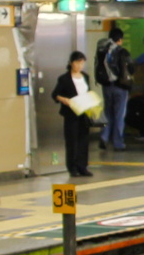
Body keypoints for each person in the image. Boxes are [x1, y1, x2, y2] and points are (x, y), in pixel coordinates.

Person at [52, 49, 96, 178]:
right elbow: (55, 94)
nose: (80, 66)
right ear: (71, 63)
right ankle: (72, 167)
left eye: (82, 63)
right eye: (78, 63)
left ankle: (83, 166)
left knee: (83, 139)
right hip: (71, 113)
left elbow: (89, 92)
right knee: (72, 140)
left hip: (84, 111)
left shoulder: (86, 77)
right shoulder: (64, 79)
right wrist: (65, 100)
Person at [94, 23, 132, 153]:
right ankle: (118, 143)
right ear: (120, 39)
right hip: (120, 87)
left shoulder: (102, 49)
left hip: (106, 86)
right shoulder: (122, 51)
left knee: (108, 113)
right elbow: (131, 68)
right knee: (119, 115)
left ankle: (104, 137)